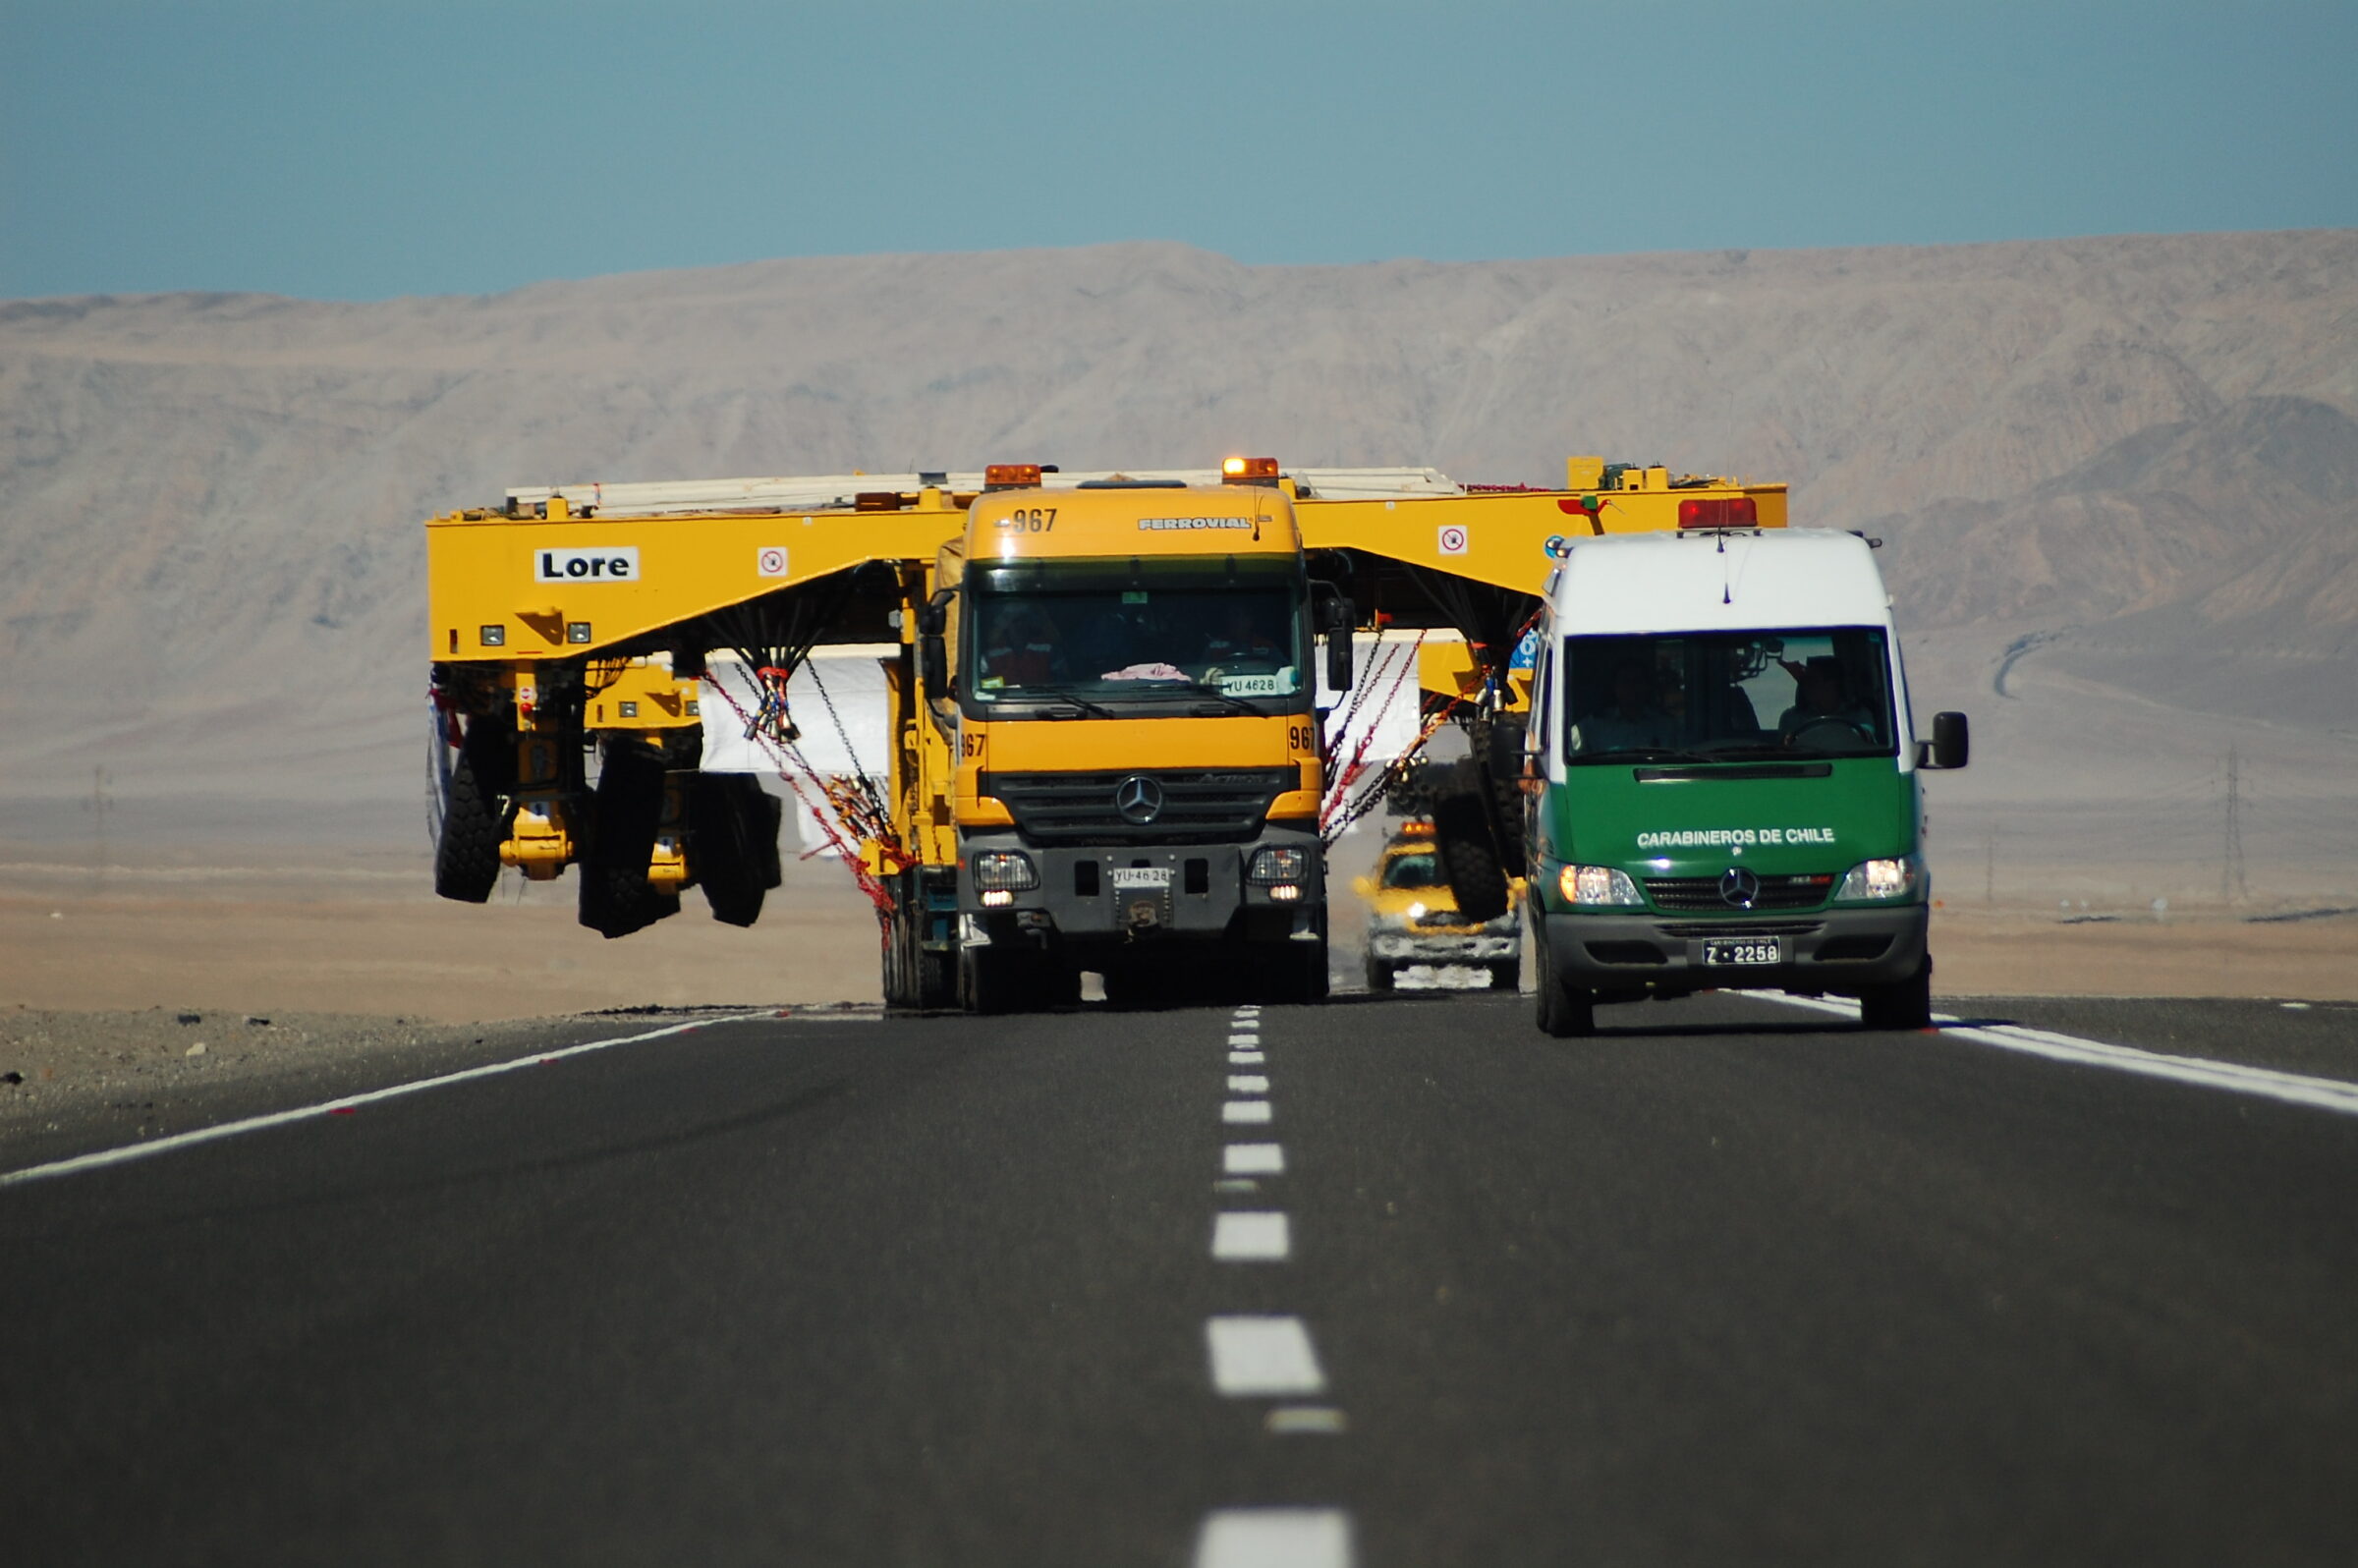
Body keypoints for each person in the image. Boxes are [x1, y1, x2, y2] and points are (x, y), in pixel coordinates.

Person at [1572, 657, 1676, 755]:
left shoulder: (1666, 726)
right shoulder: (1593, 725)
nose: (1631, 687)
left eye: (1637, 681)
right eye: (1625, 681)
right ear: (1615, 687)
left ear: (1646, 686)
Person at [1777, 656, 1875, 748]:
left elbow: (1865, 742)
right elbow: (1785, 753)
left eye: (1812, 680)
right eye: (1804, 681)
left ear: (1832, 685)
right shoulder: (1791, 718)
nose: (1805, 685)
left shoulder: (1860, 716)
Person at [981, 606, 1064, 689]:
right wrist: (1003, 686)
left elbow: (1061, 682)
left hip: (1042, 697)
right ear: (1006, 625)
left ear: (1029, 623)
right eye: (1014, 621)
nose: (1019, 625)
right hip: (1003, 697)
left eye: (1023, 619)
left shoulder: (1048, 650)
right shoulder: (990, 655)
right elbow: (983, 686)